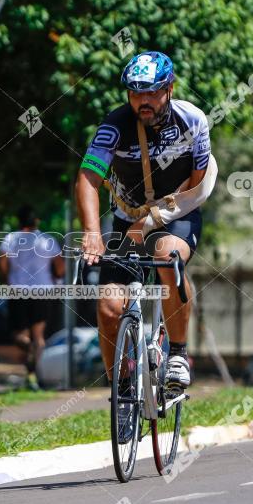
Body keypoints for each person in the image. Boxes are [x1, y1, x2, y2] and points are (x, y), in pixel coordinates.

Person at [75, 51, 218, 399]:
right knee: (109, 307)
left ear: (169, 89)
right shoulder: (114, 127)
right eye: (136, 93)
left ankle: (179, 356)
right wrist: (93, 233)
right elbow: (88, 178)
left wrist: (154, 219)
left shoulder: (193, 121)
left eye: (152, 92)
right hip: (126, 221)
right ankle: (121, 392)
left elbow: (198, 183)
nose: (144, 101)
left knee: (169, 256)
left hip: (178, 214)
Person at [0, 205, 65, 389]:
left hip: (18, 290)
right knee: (39, 337)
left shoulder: (10, 239)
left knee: (18, 335)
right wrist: (56, 277)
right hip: (42, 291)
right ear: (36, 221)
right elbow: (60, 267)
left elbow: (3, 265)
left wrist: (7, 280)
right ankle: (32, 371)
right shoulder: (47, 240)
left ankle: (30, 365)